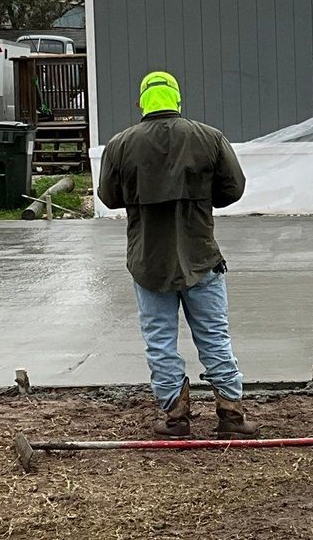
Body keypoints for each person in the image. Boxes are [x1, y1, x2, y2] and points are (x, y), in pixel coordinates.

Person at [96, 70, 254, 436]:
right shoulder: (209, 138)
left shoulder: (120, 145)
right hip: (201, 258)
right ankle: (231, 416)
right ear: (177, 99)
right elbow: (234, 188)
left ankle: (175, 419)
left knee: (160, 341)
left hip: (148, 262)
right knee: (215, 336)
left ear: (142, 102)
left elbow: (109, 196)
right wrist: (200, 198)